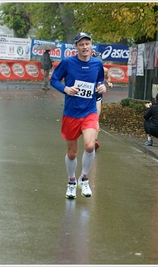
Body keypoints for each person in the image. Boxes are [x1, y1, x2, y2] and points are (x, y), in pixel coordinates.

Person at [50, 32, 106, 199]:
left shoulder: (97, 63)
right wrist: (65, 89)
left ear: (91, 46)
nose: (85, 47)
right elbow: (54, 79)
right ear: (76, 47)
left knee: (90, 146)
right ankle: (71, 181)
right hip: (71, 113)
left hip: (89, 111)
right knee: (72, 153)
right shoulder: (68, 62)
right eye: (81, 44)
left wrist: (102, 88)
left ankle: (84, 179)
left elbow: (100, 81)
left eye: (87, 44)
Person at [95, 64, 113, 150]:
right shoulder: (86, 68)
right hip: (87, 96)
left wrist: (109, 82)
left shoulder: (104, 70)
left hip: (98, 94)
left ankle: (94, 140)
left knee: (96, 117)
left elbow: (108, 77)